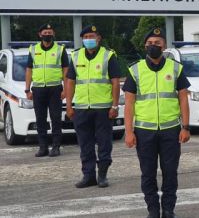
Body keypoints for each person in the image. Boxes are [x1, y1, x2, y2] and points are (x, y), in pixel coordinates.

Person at [123, 27, 191, 218]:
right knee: (148, 174)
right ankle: (153, 210)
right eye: (150, 44)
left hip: (171, 130)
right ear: (145, 46)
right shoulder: (135, 69)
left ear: (164, 46)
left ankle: (168, 210)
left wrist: (185, 126)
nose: (154, 46)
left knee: (170, 173)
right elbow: (129, 104)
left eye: (158, 43)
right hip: (144, 131)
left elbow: (183, 98)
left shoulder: (175, 68)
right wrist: (129, 132)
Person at [65, 25, 121, 188]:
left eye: (92, 36)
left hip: (103, 108)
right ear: (82, 39)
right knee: (85, 144)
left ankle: (102, 175)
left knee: (104, 143)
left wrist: (115, 106)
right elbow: (70, 82)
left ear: (99, 38)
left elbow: (115, 81)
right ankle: (88, 176)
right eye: (86, 37)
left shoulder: (108, 55)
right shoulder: (75, 56)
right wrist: (69, 106)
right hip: (81, 108)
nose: (89, 39)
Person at [25, 24, 69, 157]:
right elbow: (29, 70)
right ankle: (43, 147)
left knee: (56, 118)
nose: (47, 34)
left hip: (55, 89)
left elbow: (65, 70)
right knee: (40, 120)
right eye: (45, 32)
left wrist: (65, 89)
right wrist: (27, 89)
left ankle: (56, 147)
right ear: (40, 34)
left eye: (50, 32)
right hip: (38, 89)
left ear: (53, 34)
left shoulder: (60, 49)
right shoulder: (33, 49)